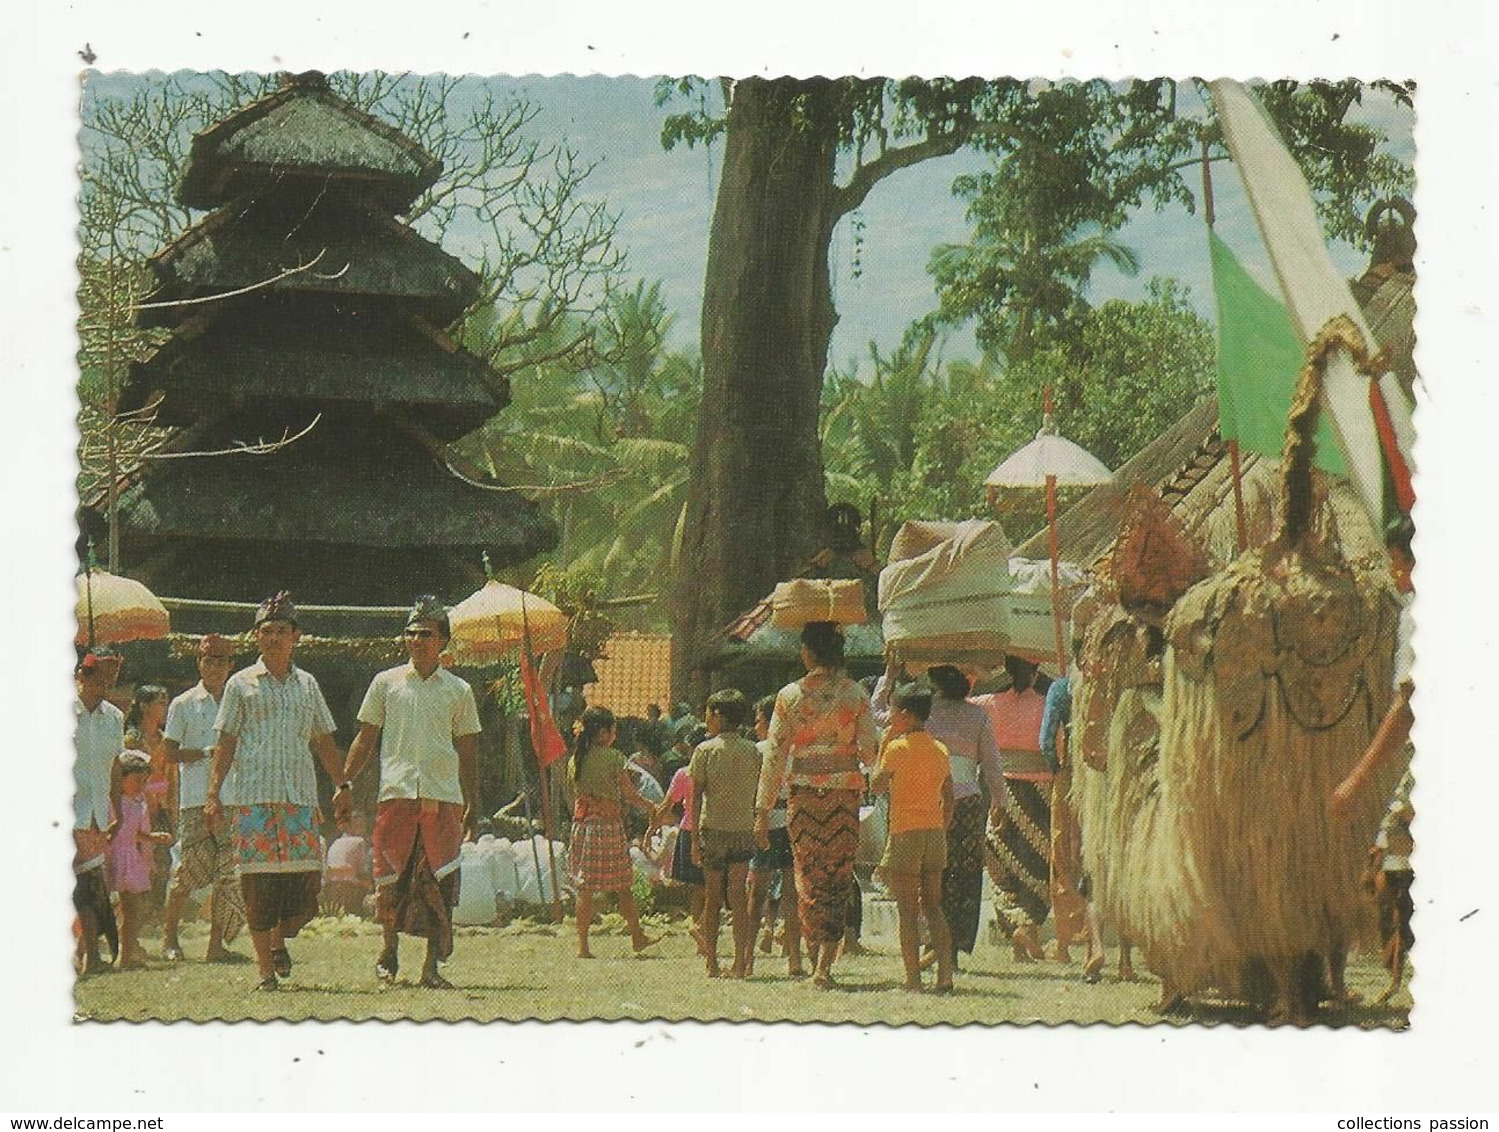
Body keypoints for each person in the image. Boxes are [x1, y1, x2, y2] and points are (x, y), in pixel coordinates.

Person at [340, 596, 482, 989]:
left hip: (443, 797)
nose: (417, 640)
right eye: (411, 633)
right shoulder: (385, 684)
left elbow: (468, 751)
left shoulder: (459, 690)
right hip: (396, 792)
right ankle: (388, 951)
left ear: (442, 641)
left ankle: (431, 967)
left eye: (426, 634)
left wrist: (474, 801)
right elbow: (365, 739)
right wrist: (344, 783)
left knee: (440, 880)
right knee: (390, 877)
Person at [206, 592, 345, 992]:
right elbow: (226, 741)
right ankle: (265, 969)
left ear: (296, 636)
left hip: (300, 799)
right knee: (258, 887)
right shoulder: (239, 685)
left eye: (281, 631)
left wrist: (342, 785)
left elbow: (322, 739)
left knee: (304, 888)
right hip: (253, 800)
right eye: (266, 631)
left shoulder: (308, 684)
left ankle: (281, 937)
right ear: (256, 637)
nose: (273, 638)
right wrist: (215, 793)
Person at [755, 621, 880, 988]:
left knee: (807, 877)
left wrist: (762, 812)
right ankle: (825, 966)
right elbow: (870, 753)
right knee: (838, 876)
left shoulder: (789, 697)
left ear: (809, 652)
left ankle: (815, 964)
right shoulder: (857, 695)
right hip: (844, 800)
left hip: (805, 799)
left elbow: (774, 758)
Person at [872, 661, 1004, 970]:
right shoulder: (978, 716)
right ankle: (951, 950)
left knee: (929, 882)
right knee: (964, 876)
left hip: (928, 806)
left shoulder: (922, 717)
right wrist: (999, 801)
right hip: (967, 805)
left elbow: (879, 714)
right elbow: (992, 764)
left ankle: (932, 946)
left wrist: (889, 676)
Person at [161, 633, 246, 963]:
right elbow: (168, 752)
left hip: (233, 799)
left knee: (227, 876)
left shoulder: (239, 701)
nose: (213, 666)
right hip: (196, 801)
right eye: (207, 659)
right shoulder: (183, 704)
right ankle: (170, 939)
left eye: (220, 660)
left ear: (230, 665)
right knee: (186, 873)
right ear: (199, 662)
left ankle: (216, 946)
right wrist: (206, 753)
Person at [871, 682, 955, 993]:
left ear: (904, 715)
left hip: (905, 833)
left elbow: (877, 785)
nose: (889, 716)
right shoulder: (940, 749)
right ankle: (945, 976)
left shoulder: (896, 748)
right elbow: (949, 796)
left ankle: (913, 981)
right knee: (934, 907)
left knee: (907, 911)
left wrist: (883, 745)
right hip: (934, 833)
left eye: (891, 710)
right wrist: (941, 826)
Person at [972, 655, 1052, 962]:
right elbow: (1055, 744)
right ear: (1034, 674)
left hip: (999, 791)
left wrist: (977, 674)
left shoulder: (989, 703)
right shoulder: (1044, 703)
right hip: (1039, 792)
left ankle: (1018, 939)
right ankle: (1027, 929)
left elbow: (961, 700)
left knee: (1001, 864)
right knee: (1037, 863)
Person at [568, 706, 661, 959]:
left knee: (584, 888)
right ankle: (636, 936)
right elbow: (630, 795)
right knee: (623, 885)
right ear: (603, 732)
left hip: (583, 826)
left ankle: (583, 946)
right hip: (608, 827)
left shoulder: (576, 759)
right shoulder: (614, 758)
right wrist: (651, 806)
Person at [1038, 639, 1106, 980]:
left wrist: (1058, 770)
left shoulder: (1062, 688)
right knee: (1096, 855)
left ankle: (1065, 941)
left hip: (1071, 777)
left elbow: (1046, 739)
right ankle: (1104, 944)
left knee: (1064, 854)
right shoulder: (1111, 685)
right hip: (1106, 776)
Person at [688, 689, 762, 979]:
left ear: (718, 716)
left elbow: (694, 798)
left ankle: (712, 962)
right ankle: (741, 962)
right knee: (738, 896)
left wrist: (693, 839)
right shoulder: (752, 751)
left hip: (713, 829)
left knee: (713, 896)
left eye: (708, 714)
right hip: (743, 829)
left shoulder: (704, 751)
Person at [74, 647, 125, 976]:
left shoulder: (115, 718)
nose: (102, 686)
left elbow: (116, 766)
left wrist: (116, 809)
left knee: (90, 886)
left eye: (109, 680)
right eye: (97, 679)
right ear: (81, 676)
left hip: (94, 814)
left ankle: (92, 956)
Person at [748, 694, 802, 977]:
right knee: (792, 896)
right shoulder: (798, 750)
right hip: (792, 821)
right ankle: (795, 959)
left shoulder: (760, 749)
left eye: (759, 720)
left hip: (766, 821)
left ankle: (746, 959)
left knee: (757, 893)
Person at [107, 751, 173, 969]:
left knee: (132, 909)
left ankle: (127, 956)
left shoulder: (139, 802)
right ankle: (85, 953)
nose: (140, 785)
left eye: (144, 781)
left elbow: (135, 832)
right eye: (135, 780)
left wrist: (152, 837)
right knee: (103, 907)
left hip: (130, 857)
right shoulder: (111, 802)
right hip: (112, 855)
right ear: (121, 779)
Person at [125, 683, 174, 924]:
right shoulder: (131, 740)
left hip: (161, 808)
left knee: (162, 862)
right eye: (160, 703)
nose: (165, 708)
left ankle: (154, 915)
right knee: (137, 861)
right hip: (138, 807)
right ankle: (135, 918)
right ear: (145, 706)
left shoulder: (165, 740)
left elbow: (171, 777)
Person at [654, 758, 705, 954]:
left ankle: (701, 936)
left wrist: (652, 827)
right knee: (714, 887)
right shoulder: (712, 771)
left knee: (699, 888)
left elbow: (667, 803)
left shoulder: (684, 773)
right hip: (708, 830)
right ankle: (701, 928)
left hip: (687, 830)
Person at [323, 813, 373, 916]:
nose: (362, 828)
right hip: (349, 889)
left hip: (330, 889)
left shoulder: (335, 842)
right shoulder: (359, 841)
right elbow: (362, 870)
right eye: (359, 825)